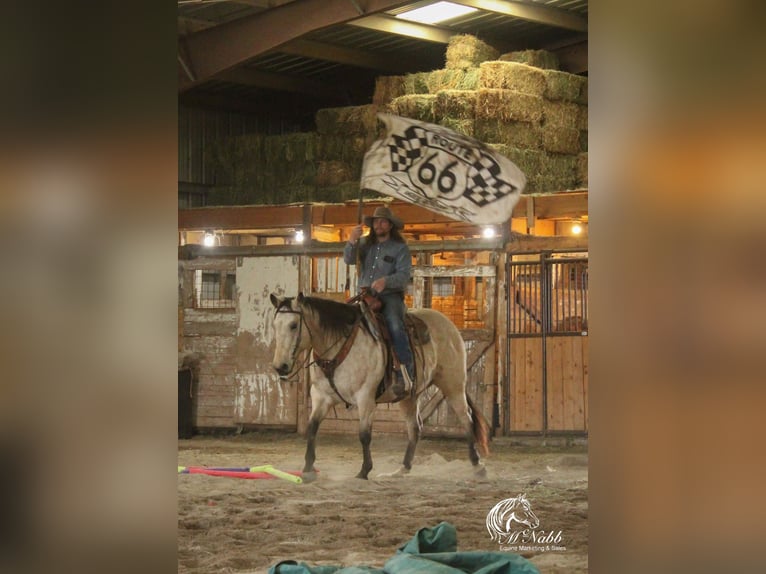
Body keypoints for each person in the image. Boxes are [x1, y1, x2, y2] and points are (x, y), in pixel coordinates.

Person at [344, 206, 413, 397]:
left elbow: (404, 275)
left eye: (382, 221)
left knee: (394, 324)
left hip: (389, 295)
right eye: (376, 221)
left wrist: (386, 281)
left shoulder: (400, 248)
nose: (378, 225)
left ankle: (405, 371)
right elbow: (348, 259)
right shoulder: (364, 244)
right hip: (365, 295)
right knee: (345, 323)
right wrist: (351, 240)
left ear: (390, 225)